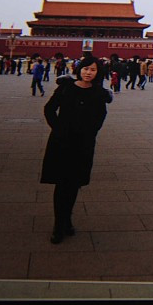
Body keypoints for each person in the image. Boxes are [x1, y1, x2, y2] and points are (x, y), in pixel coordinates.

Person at [41, 56, 113, 244]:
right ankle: (58, 225)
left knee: (74, 184)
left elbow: (100, 116)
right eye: (85, 68)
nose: (88, 72)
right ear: (79, 69)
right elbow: (49, 109)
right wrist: (58, 128)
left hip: (83, 144)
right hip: (61, 142)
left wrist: (91, 133)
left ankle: (67, 219)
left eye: (93, 70)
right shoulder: (65, 87)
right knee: (61, 183)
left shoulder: (99, 93)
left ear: (98, 73)